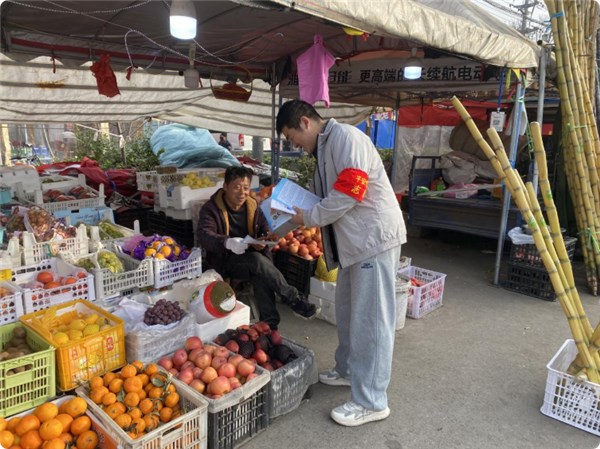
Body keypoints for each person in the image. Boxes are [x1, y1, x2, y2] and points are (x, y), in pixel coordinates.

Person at [276, 100, 407, 427]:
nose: (294, 145)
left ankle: (372, 401)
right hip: (353, 245)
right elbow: (321, 198)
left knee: (371, 321)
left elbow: (350, 192)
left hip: (372, 240)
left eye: (292, 137)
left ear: (304, 122)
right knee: (349, 313)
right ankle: (348, 370)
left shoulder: (346, 138)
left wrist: (308, 216)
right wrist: (281, 221)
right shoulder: (324, 149)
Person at [197, 165, 320, 329]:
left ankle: (269, 326)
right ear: (225, 187)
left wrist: (264, 238)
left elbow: (263, 228)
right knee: (257, 262)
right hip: (225, 262)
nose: (242, 193)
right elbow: (204, 235)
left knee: (260, 271)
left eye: (246, 188)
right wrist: (228, 242)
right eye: (236, 187)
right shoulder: (211, 209)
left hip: (252, 260)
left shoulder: (252, 205)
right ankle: (294, 299)